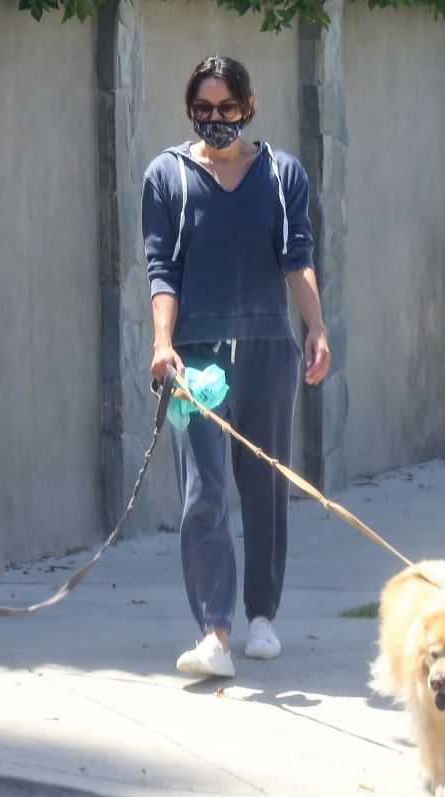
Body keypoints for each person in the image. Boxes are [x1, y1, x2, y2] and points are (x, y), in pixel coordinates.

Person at [142, 55, 331, 677]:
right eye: (204, 108)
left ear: (248, 107)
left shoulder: (281, 174)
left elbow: (296, 258)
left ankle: (261, 618)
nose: (216, 119)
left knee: (265, 486)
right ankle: (214, 634)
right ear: (189, 109)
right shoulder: (167, 176)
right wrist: (162, 343)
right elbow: (161, 271)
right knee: (204, 492)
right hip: (195, 360)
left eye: (227, 108)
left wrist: (317, 328)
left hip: (267, 352)